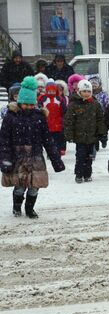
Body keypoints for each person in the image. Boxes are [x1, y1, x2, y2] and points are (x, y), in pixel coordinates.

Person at [0, 76, 65, 218]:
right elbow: (4, 141)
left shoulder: (39, 117)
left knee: (35, 186)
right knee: (20, 186)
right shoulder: (11, 117)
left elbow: (48, 140)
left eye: (32, 104)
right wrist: (5, 159)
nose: (29, 107)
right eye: (26, 104)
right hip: (18, 158)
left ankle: (30, 209)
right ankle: (17, 206)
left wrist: (56, 160)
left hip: (36, 157)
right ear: (20, 102)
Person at [64, 79, 106, 183]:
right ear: (79, 91)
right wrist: (69, 134)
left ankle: (87, 174)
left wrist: (102, 134)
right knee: (80, 156)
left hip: (92, 136)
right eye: (84, 91)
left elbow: (100, 120)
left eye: (89, 91)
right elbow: (69, 120)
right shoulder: (74, 105)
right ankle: (79, 174)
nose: (86, 94)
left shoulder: (95, 104)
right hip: (80, 137)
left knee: (89, 157)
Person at [38, 79, 67, 156]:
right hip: (46, 123)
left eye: (53, 91)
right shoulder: (43, 98)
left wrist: (62, 120)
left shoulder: (59, 99)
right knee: (48, 140)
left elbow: (63, 110)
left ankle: (57, 152)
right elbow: (39, 109)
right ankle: (50, 152)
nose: (51, 93)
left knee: (57, 139)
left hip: (57, 123)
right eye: (49, 91)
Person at [87, 74, 109, 150]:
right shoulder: (88, 94)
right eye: (92, 84)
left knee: (102, 130)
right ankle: (96, 145)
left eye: (96, 84)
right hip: (91, 117)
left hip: (102, 116)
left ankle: (104, 140)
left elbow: (107, 103)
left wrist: (107, 111)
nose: (94, 86)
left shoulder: (103, 94)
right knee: (94, 132)